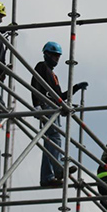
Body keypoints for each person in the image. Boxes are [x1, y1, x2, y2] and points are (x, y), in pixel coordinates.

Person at [31, 41, 88, 187]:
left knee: (49, 141)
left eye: (58, 56)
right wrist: (36, 104)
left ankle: (47, 177)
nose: (56, 59)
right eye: (54, 55)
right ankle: (58, 168)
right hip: (46, 106)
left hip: (52, 107)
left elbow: (59, 97)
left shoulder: (53, 75)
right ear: (46, 54)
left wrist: (74, 88)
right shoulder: (42, 67)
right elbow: (35, 85)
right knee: (55, 136)